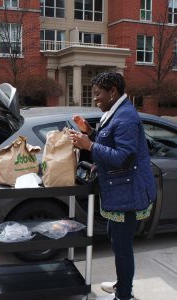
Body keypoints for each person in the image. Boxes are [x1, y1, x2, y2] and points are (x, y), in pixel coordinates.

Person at [70, 72, 156, 300]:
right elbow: (111, 140)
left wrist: (89, 144)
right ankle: (122, 284)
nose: (95, 99)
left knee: (122, 246)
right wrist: (91, 132)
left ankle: (124, 295)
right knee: (116, 238)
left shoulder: (126, 116)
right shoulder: (116, 111)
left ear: (113, 92)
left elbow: (124, 157)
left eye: (98, 94)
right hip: (119, 190)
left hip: (127, 192)